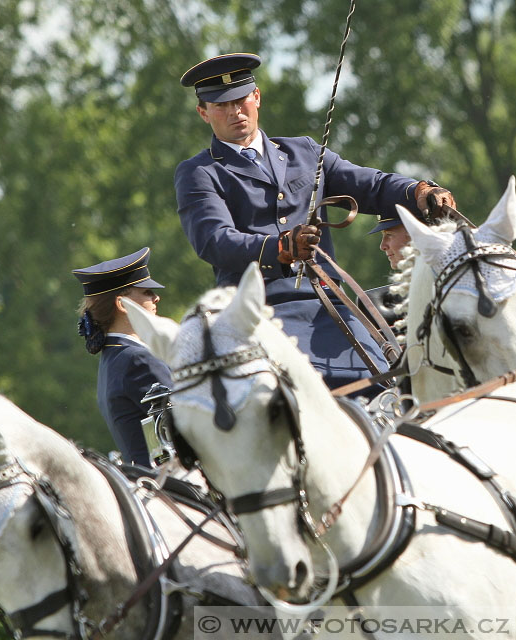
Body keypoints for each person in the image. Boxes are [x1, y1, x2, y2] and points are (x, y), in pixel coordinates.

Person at [174, 52, 455, 391]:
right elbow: (214, 240)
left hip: (330, 303)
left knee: (388, 387)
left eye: (241, 100)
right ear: (203, 112)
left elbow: (370, 185)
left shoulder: (304, 152)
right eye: (221, 105)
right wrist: (278, 247)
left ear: (257, 97)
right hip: (259, 313)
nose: (235, 111)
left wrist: (418, 192)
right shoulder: (199, 173)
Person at [72, 247, 171, 467]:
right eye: (146, 292)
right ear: (121, 304)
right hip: (172, 489)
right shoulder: (137, 360)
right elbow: (189, 427)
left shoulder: (115, 356)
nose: (156, 298)